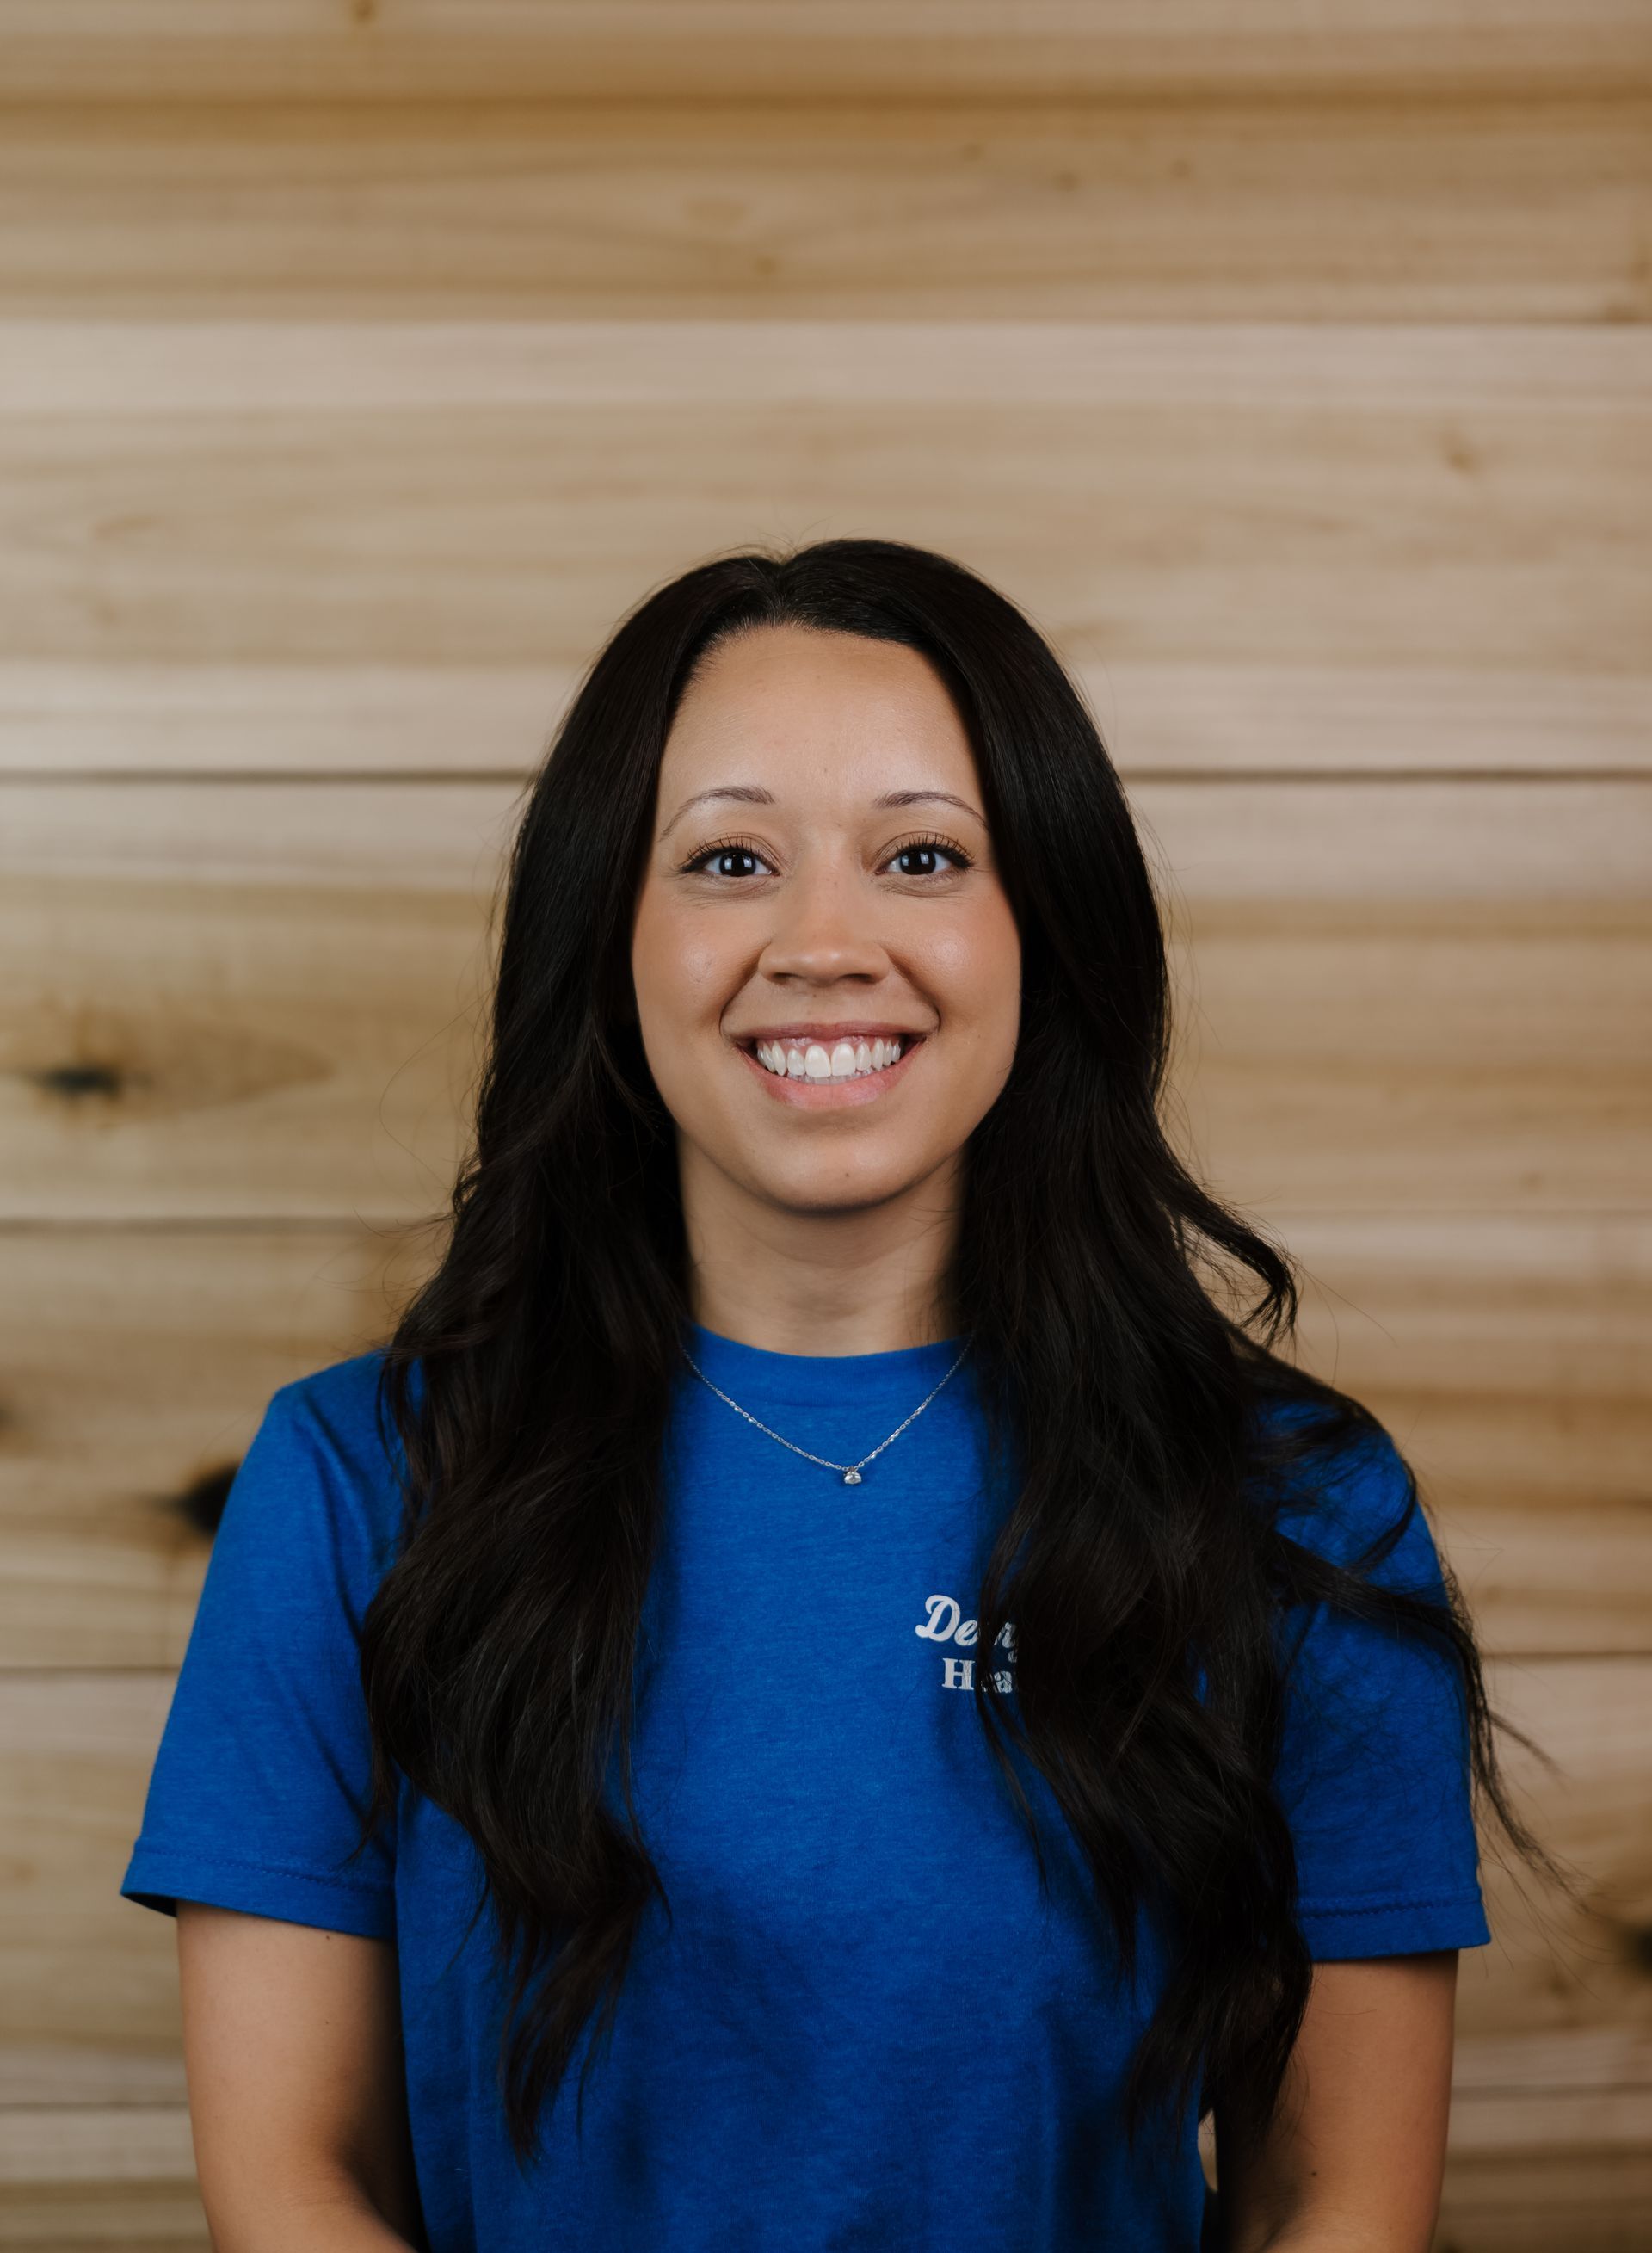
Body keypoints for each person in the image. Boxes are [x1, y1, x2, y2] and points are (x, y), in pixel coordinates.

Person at [120, 538, 1531, 2252]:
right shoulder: (356, 1482)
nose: (824, 939)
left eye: (922, 854)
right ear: (610, 939)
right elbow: (293, 2187)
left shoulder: (1294, 1502)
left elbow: (1340, 2207)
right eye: (729, 859)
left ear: (1049, 931)